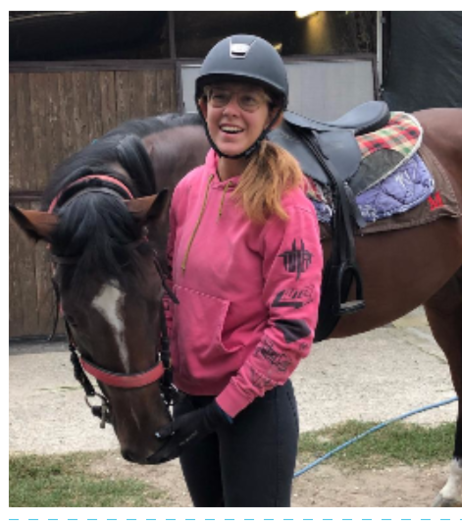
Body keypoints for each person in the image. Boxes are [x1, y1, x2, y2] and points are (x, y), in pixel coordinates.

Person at [150, 34, 323, 507]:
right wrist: (172, 371)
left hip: (253, 409)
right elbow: (173, 292)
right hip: (191, 401)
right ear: (202, 105)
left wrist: (221, 410)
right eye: (220, 97)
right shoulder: (188, 189)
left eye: (248, 100)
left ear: (273, 115)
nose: (231, 111)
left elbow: (291, 331)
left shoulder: (287, 208)